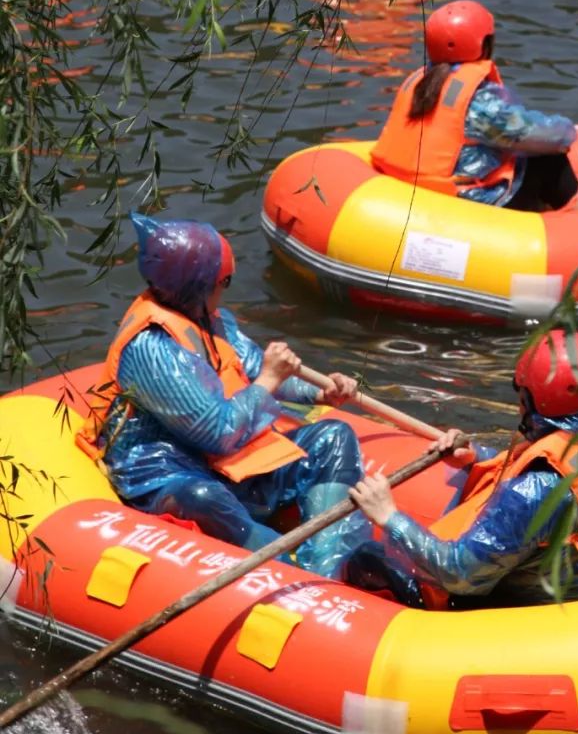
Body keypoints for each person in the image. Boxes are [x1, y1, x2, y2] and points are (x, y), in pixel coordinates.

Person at [81, 213, 382, 579]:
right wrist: (269, 378)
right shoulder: (152, 348)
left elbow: (255, 370)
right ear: (198, 285)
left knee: (333, 437)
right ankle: (292, 574)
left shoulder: (212, 320)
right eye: (224, 280)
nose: (227, 287)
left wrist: (320, 391)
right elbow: (218, 432)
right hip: (168, 467)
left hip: (221, 457)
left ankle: (327, 563)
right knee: (205, 499)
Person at [348, 330, 578, 606]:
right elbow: (536, 464)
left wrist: (389, 516)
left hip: (522, 606)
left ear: (535, 400)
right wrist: (475, 457)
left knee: (367, 558)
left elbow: (460, 575)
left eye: (522, 393)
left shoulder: (535, 492)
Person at [370, 0, 578, 211]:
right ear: (484, 45)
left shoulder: (419, 83)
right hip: (463, 200)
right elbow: (535, 134)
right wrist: (569, 130)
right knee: (551, 160)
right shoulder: (479, 103)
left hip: (408, 187)